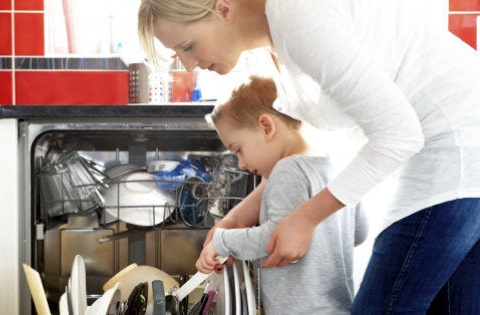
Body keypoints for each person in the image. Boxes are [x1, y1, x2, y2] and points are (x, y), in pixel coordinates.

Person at [138, 0, 480, 313]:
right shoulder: (275, 39)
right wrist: (241, 214)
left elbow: (398, 136)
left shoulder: (299, 18)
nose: (188, 64)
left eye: (188, 46)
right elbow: (327, 148)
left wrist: (303, 219)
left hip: (452, 155)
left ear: (222, 9)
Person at [196, 75, 368, 314]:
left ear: (266, 127)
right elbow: (359, 232)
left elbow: (273, 239)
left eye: (239, 150)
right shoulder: (335, 166)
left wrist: (223, 241)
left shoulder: (288, 170)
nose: (241, 164)